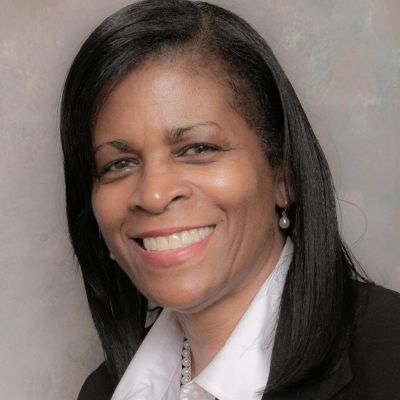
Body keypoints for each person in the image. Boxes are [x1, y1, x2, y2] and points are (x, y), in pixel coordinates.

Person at [60, 1, 400, 399]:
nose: (153, 194)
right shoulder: (102, 391)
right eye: (119, 163)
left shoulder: (389, 360)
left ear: (283, 173)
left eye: (198, 148)